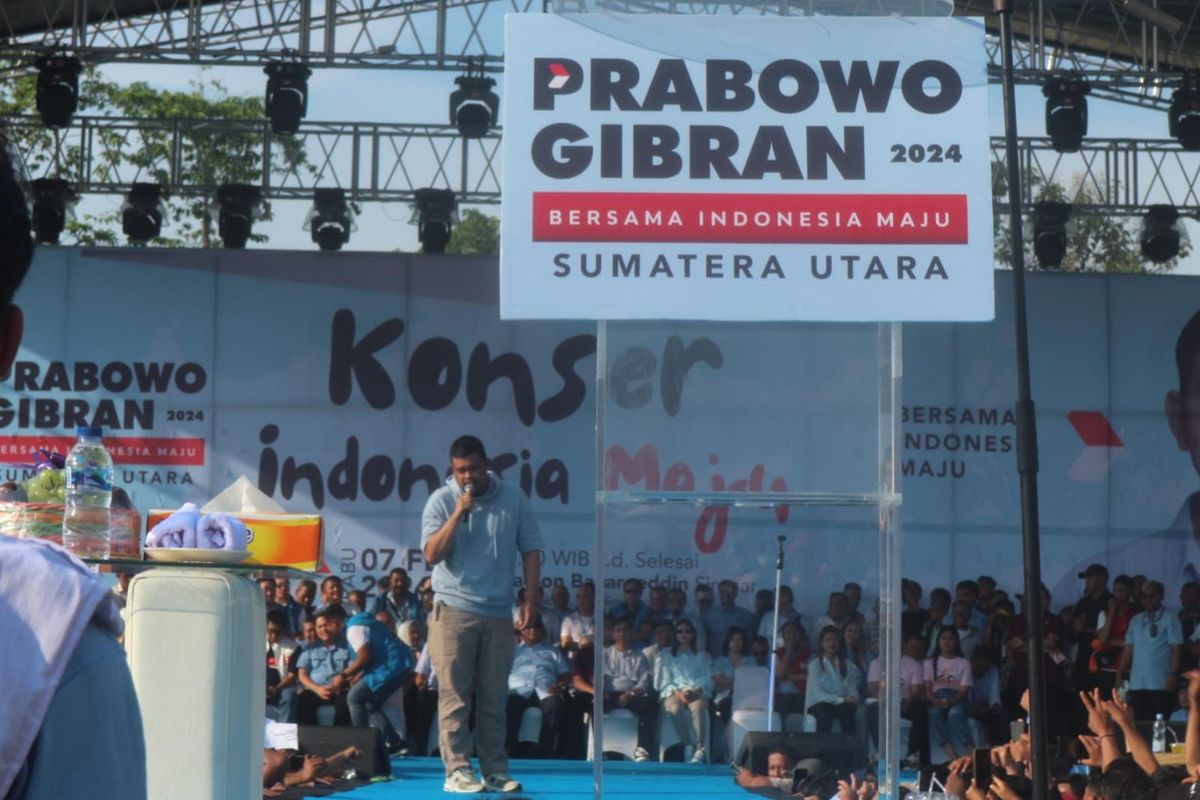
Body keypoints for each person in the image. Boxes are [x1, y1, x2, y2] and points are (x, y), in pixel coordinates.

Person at [422, 434, 543, 794]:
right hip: (453, 610)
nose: (467, 476)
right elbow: (431, 555)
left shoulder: (513, 498)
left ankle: (495, 771)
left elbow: (532, 548)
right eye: (459, 470)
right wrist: (459, 512)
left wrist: (532, 598)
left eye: (473, 468)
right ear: (452, 470)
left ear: (486, 464)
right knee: (455, 696)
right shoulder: (442, 501)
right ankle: (457, 771)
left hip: (498, 612)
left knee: (494, 696)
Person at [343, 610, 415, 749]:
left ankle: (360, 747)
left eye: (324, 625)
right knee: (370, 705)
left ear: (336, 621)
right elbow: (370, 656)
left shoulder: (353, 628)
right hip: (400, 665)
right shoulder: (364, 622)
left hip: (391, 666)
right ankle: (396, 744)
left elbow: (364, 657)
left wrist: (342, 676)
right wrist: (357, 676)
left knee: (354, 698)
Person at [506, 614, 570, 758]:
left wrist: (559, 686)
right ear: (522, 631)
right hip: (519, 690)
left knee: (555, 705)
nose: (532, 631)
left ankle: (544, 751)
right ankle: (509, 749)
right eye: (528, 628)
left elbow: (566, 675)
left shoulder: (553, 652)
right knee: (509, 706)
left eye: (536, 628)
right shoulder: (513, 651)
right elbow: (501, 672)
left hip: (545, 689)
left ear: (542, 631)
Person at [1117, 579, 1182, 720]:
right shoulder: (1135, 620)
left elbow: (1176, 649)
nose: (1147, 600)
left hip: (1161, 682)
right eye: (1144, 596)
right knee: (1139, 724)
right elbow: (1128, 649)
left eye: (1152, 595)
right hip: (1137, 683)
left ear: (1161, 596)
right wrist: (1120, 673)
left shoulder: (1170, 618)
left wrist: (1173, 674)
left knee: (1160, 725)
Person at [656, 617, 713, 764]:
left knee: (698, 709)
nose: (684, 634)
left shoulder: (703, 656)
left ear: (694, 634)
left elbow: (707, 678)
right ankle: (688, 744)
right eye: (680, 631)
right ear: (675, 635)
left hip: (697, 691)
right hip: (675, 692)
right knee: (674, 708)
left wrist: (696, 691)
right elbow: (666, 680)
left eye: (688, 631)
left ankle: (700, 748)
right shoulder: (668, 656)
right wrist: (678, 693)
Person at [602, 618, 657, 762]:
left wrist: (630, 694)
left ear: (631, 634)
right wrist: (602, 693)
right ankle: (600, 748)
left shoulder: (639, 656)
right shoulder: (605, 654)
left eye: (625, 630)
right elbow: (599, 678)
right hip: (609, 693)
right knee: (594, 704)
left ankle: (642, 749)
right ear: (613, 634)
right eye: (618, 631)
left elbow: (643, 682)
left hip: (631, 693)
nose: (622, 634)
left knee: (649, 706)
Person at [295, 608, 354, 725]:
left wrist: (341, 684)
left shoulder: (347, 647)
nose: (323, 629)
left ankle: (342, 741)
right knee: (303, 700)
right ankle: (307, 740)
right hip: (315, 690)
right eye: (319, 627)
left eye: (326, 625)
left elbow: (353, 670)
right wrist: (317, 689)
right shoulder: (310, 649)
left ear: (334, 626)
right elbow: (302, 674)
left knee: (345, 704)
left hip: (339, 691)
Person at [924, 626, 973, 761]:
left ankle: (972, 753)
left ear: (956, 641)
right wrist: (935, 701)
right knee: (933, 714)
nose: (947, 642)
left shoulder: (964, 662)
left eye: (951, 638)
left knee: (954, 714)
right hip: (937, 698)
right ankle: (954, 758)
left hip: (957, 697)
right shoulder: (929, 662)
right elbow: (927, 688)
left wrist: (951, 702)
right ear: (938, 641)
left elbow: (964, 689)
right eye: (943, 638)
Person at [804, 626, 861, 734]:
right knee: (825, 713)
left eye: (835, 639)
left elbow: (853, 690)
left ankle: (849, 749)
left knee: (847, 713)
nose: (832, 643)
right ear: (822, 644)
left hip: (841, 705)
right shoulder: (815, 665)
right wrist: (841, 699)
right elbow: (818, 694)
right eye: (828, 640)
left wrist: (853, 698)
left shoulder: (848, 665)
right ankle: (823, 750)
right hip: (819, 704)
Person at [702, 580, 758, 657]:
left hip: (739, 661)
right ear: (719, 593)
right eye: (723, 591)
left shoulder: (746, 615)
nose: (726, 594)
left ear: (736, 593)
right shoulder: (708, 616)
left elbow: (750, 641)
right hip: (714, 660)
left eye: (730, 591)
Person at [371, 567, 423, 635]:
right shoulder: (380, 601)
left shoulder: (414, 601)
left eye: (402, 581)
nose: (400, 584)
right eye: (396, 580)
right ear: (390, 582)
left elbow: (421, 624)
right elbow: (372, 622)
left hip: (410, 642)